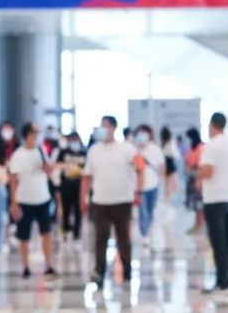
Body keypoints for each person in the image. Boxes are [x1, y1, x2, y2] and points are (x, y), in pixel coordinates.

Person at [81, 115, 144, 286]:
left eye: (106, 126)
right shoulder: (94, 150)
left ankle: (127, 270)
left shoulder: (127, 149)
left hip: (122, 200)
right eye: (101, 126)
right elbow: (87, 177)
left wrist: (138, 191)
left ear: (114, 128)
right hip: (100, 201)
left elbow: (140, 168)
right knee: (101, 237)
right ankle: (99, 271)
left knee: (123, 237)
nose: (103, 129)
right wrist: (83, 198)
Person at [8, 123, 57, 279]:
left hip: (42, 198)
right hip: (24, 199)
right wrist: (14, 203)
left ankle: (48, 265)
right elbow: (13, 180)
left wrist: (48, 168)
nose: (36, 136)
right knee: (24, 236)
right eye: (34, 133)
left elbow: (49, 172)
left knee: (46, 232)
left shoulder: (41, 151)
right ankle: (25, 266)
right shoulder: (18, 154)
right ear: (27, 135)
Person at [199, 112, 228, 294]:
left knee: (218, 241)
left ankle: (221, 280)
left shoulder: (211, 145)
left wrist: (196, 172)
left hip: (214, 198)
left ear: (212, 126)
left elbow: (208, 171)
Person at [133, 124, 165, 245]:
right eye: (139, 133)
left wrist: (162, 180)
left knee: (150, 210)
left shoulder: (155, 149)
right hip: (140, 186)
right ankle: (144, 234)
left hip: (154, 185)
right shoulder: (134, 149)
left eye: (144, 133)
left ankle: (147, 229)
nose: (142, 136)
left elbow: (162, 166)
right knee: (143, 211)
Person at [56, 132, 87, 242]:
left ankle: (77, 234)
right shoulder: (63, 152)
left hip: (79, 186)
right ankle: (65, 230)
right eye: (72, 140)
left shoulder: (84, 152)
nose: (74, 142)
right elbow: (57, 165)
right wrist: (66, 167)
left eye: (76, 139)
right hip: (65, 185)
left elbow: (88, 169)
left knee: (78, 210)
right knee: (66, 209)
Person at [185, 128, 206, 233]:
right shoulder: (192, 148)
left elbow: (201, 166)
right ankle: (197, 224)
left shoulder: (201, 148)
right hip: (191, 177)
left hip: (198, 176)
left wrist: (198, 180)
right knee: (194, 203)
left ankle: (201, 225)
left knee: (199, 203)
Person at [161, 126, 180, 200]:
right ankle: (168, 199)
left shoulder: (165, 143)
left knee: (169, 185)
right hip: (169, 164)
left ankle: (167, 199)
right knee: (171, 185)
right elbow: (175, 154)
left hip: (167, 164)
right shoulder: (169, 142)